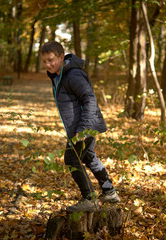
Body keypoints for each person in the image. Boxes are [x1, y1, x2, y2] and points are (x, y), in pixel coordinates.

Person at [40, 41, 120, 212]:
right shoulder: (59, 75)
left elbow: (89, 99)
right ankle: (109, 191)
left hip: (84, 126)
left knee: (71, 159)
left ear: (62, 57)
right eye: (44, 61)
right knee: (89, 156)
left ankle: (89, 199)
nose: (47, 65)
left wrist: (83, 128)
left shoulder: (73, 75)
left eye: (51, 60)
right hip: (84, 125)